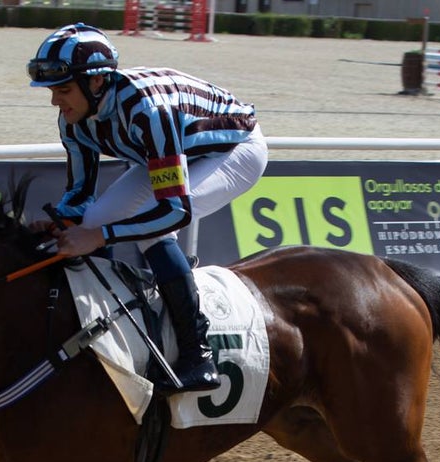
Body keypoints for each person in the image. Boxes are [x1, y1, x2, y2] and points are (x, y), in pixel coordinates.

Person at [27, 23, 268, 393]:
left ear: (96, 82)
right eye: (52, 91)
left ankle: (197, 356)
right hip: (171, 152)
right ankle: (100, 331)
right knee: (93, 218)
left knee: (154, 226)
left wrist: (99, 237)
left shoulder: (147, 110)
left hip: (234, 150)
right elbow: (79, 197)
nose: (55, 102)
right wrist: (63, 224)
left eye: (63, 90)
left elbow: (174, 212)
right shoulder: (73, 122)